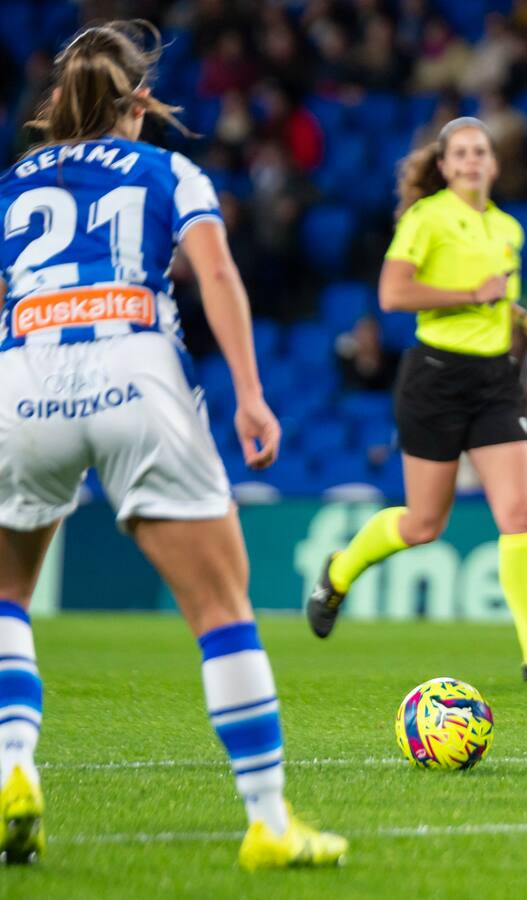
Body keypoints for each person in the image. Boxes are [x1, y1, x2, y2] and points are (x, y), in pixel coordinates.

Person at [0, 23, 345, 868]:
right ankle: (268, 821)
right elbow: (217, 273)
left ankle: (11, 768)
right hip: (132, 362)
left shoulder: (10, 185)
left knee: (6, 596)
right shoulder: (167, 169)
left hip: (24, 371)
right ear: (141, 102)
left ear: (60, 103)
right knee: (224, 609)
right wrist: (253, 397)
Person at [306, 117, 527, 683]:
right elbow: (392, 293)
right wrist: (469, 296)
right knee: (423, 524)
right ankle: (339, 572)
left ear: (494, 162)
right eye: (459, 153)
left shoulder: (508, 228)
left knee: (520, 511)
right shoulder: (425, 218)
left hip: (494, 383)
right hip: (435, 378)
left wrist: (524, 319)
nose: (471, 161)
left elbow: (497, 299)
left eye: (480, 151)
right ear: (443, 165)